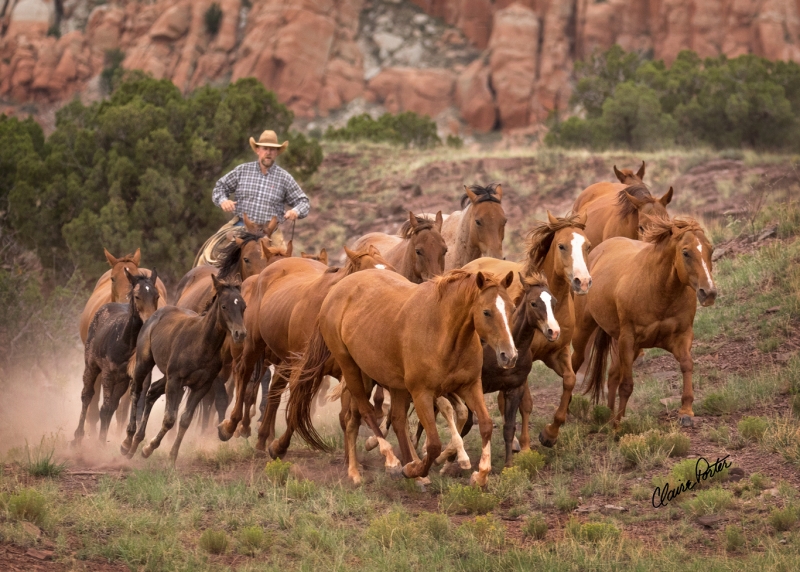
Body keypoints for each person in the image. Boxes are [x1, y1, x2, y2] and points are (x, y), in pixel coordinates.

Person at [211, 129, 310, 247]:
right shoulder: (243, 170)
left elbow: (303, 202)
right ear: (258, 150)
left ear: (277, 152)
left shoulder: (284, 178)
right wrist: (223, 201)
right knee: (211, 252)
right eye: (265, 148)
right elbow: (220, 187)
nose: (268, 152)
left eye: (272, 149)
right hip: (240, 227)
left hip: (270, 233)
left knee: (282, 262)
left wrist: (295, 211)